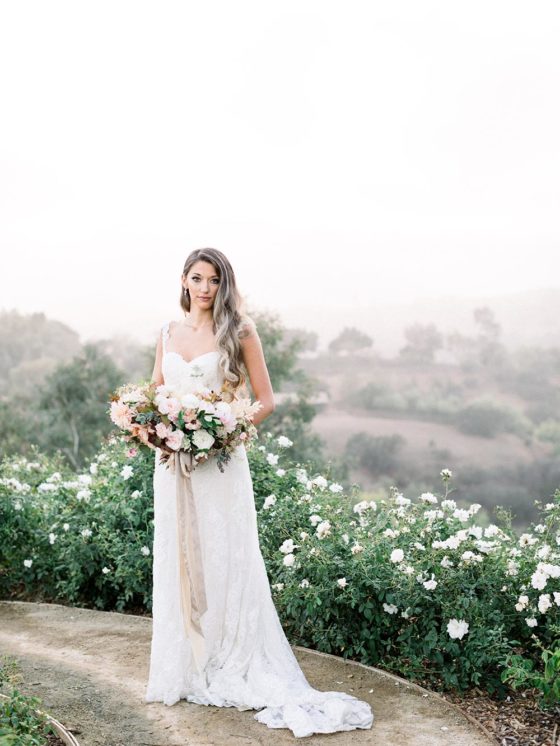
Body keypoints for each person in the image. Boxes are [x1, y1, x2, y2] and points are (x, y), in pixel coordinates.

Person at [144, 248, 374, 738]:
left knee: (225, 557)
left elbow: (265, 401)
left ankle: (229, 656)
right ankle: (187, 663)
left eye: (214, 280)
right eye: (197, 278)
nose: (205, 288)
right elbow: (154, 397)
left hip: (219, 465)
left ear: (224, 285)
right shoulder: (167, 332)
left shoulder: (240, 331)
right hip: (173, 467)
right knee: (180, 556)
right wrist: (156, 432)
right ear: (184, 281)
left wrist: (219, 433)